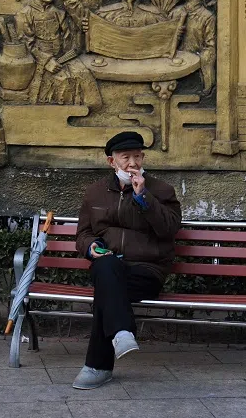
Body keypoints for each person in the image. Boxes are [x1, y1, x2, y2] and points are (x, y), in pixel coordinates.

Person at [73, 131, 182, 390]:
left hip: (146, 270)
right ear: (112, 162)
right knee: (106, 267)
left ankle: (98, 367)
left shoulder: (162, 191)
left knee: (106, 290)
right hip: (109, 265)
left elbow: (169, 229)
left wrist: (144, 198)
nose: (133, 163)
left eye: (137, 156)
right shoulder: (95, 192)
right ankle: (122, 333)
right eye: (126, 157)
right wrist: (91, 248)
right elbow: (83, 235)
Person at [14, 0, 101, 110]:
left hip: (63, 58)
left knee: (84, 75)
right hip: (40, 62)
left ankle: (92, 112)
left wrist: (83, 30)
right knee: (62, 82)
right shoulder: (24, 14)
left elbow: (69, 40)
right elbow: (26, 44)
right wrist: (47, 61)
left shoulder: (58, 13)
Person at [173, 0, 217, 96]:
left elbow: (210, 47)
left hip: (193, 68)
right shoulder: (175, 12)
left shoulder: (207, 17)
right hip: (173, 64)